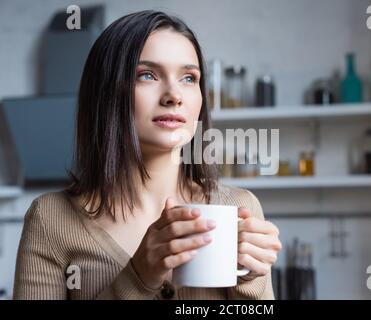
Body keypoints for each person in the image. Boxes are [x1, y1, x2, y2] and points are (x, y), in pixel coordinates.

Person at [13, 10, 282, 300]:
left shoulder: (239, 208)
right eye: (148, 75)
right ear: (106, 92)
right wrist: (137, 277)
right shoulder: (51, 220)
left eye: (189, 78)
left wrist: (251, 280)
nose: (174, 95)